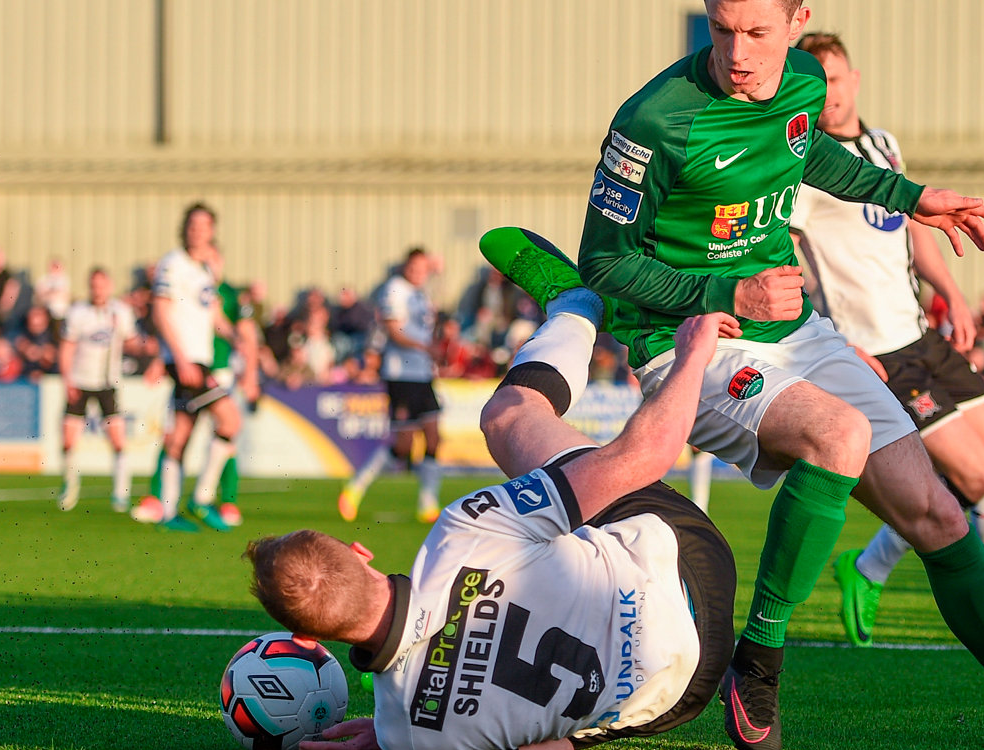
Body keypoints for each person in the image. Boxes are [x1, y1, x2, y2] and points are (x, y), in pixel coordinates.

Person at [562, 0, 984, 749]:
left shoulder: (805, 81)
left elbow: (815, 160)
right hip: (693, 346)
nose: (737, 54)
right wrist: (725, 292)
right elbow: (601, 262)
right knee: (839, 438)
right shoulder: (652, 121)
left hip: (795, 334)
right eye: (721, 29)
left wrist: (913, 197)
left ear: (797, 20)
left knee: (940, 518)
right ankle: (760, 656)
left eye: (757, 33)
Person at [247, 269, 738, 750]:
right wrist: (693, 353)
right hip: (691, 560)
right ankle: (576, 303)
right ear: (361, 553)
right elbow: (639, 460)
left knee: (536, 726)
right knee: (508, 416)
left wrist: (395, 737)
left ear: (306, 636)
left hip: (683, 689)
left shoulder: (410, 734)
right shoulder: (463, 532)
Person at [788, 31, 984, 646]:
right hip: (879, 357)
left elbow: (912, 219)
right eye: (818, 81)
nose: (831, 91)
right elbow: (782, 260)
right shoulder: (803, 169)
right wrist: (829, 343)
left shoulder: (884, 145)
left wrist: (948, 287)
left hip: (923, 335)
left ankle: (867, 567)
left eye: (838, 77)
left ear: (855, 79)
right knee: (975, 477)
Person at [147, 202, 245, 532]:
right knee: (230, 420)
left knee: (181, 436)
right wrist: (180, 357)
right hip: (185, 360)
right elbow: (160, 311)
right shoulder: (173, 264)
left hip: (197, 359)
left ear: (212, 231)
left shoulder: (205, 270)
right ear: (185, 228)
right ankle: (201, 499)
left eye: (203, 225)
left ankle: (168, 512)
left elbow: (214, 315)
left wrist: (235, 335)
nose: (197, 230)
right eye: (192, 224)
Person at [337, 248, 445, 524]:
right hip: (401, 375)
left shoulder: (421, 293)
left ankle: (427, 504)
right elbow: (394, 330)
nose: (418, 273)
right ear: (405, 267)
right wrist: (426, 347)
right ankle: (356, 487)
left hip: (422, 374)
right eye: (414, 268)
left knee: (433, 436)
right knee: (403, 445)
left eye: (423, 269)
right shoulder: (394, 289)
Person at [57, 268, 140, 512]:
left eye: (102, 285)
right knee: (69, 440)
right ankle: (70, 486)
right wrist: (67, 381)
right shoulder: (78, 313)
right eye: (94, 285)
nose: (98, 290)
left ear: (110, 286)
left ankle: (121, 493)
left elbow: (134, 342)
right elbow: (67, 348)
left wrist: (148, 350)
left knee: (117, 439)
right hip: (80, 383)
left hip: (108, 384)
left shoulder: (121, 313)